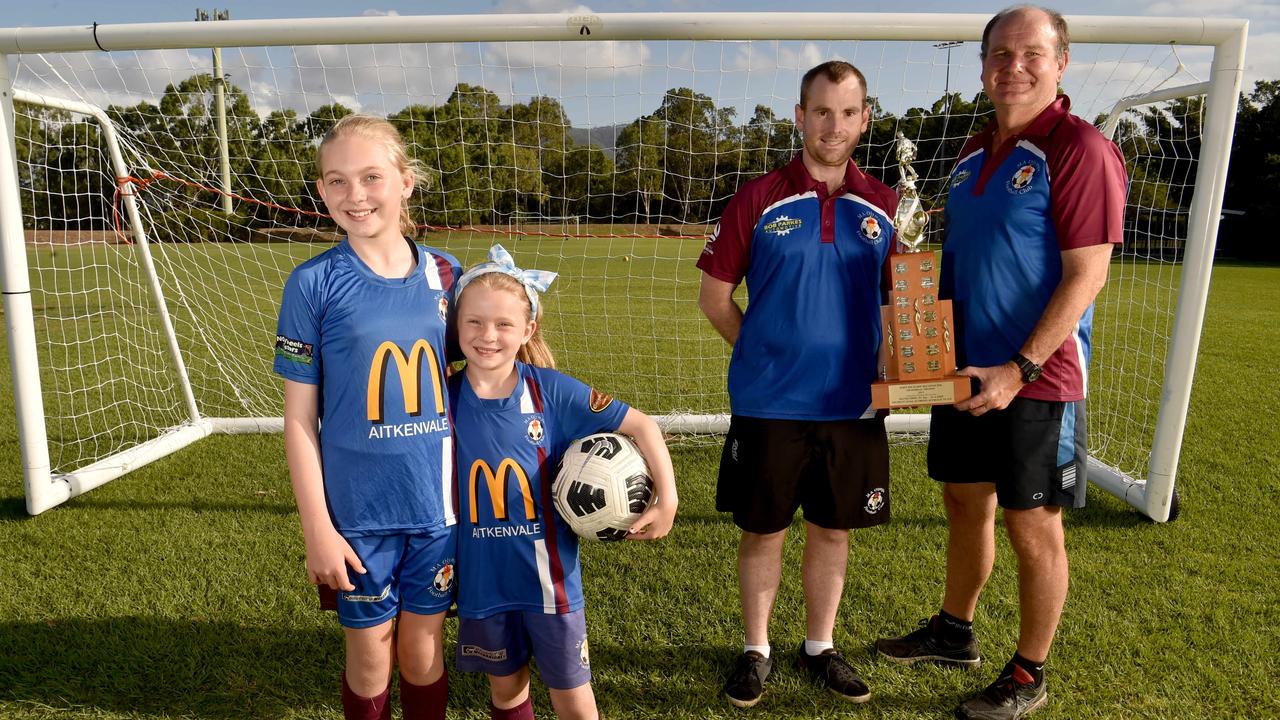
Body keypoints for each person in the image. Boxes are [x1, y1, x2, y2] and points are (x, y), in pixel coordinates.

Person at [874, 6, 1128, 720]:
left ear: (1060, 63)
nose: (1013, 66)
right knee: (964, 502)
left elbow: (1087, 275)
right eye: (1000, 54)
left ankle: (1029, 671)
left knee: (1031, 523)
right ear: (984, 64)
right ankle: (955, 632)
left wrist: (1020, 367)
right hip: (965, 371)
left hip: (1036, 377)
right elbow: (955, 266)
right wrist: (915, 342)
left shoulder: (1078, 149)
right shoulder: (971, 152)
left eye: (1030, 54)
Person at [697, 60, 897, 708]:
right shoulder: (757, 198)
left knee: (833, 530)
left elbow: (905, 307)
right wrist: (764, 350)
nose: (833, 125)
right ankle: (756, 649)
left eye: (847, 112)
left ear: (864, 118)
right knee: (764, 531)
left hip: (853, 406)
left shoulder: (889, 208)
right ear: (799, 116)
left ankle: (820, 644)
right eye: (820, 111)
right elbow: (715, 297)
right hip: (771, 404)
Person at [274, 114, 461, 720]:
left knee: (423, 653)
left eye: (371, 177)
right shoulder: (312, 284)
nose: (355, 195)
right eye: (336, 181)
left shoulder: (449, 276)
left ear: (406, 182)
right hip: (357, 517)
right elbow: (300, 421)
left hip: (440, 511)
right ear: (322, 190)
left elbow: (489, 385)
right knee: (371, 658)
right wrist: (318, 529)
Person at [448, 244, 678, 720]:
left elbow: (642, 426)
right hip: (481, 580)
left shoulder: (549, 390)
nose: (487, 336)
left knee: (573, 696)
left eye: (503, 324)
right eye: (474, 322)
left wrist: (667, 497)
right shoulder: (441, 394)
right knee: (507, 693)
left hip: (550, 582)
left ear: (527, 329)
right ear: (455, 323)